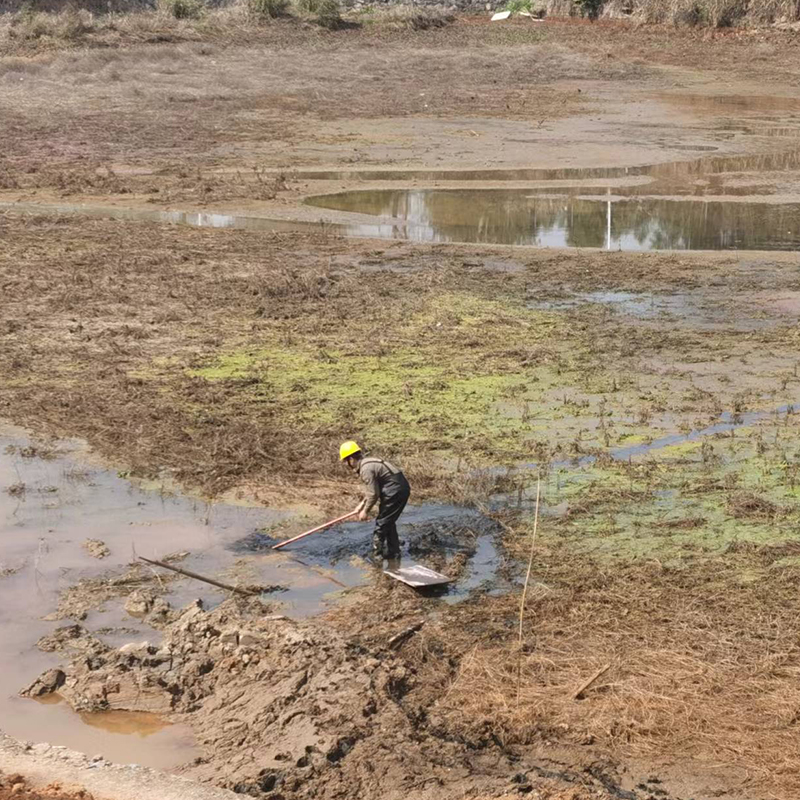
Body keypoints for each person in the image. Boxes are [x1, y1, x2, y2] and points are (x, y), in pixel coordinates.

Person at [340, 440, 410, 563]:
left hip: (395, 491)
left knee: (381, 524)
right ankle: (394, 552)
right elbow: (373, 490)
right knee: (388, 521)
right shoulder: (368, 463)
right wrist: (360, 506)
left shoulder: (365, 469)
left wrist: (365, 511)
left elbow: (373, 494)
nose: (346, 465)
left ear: (351, 459)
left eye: (346, 461)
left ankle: (377, 557)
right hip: (398, 488)